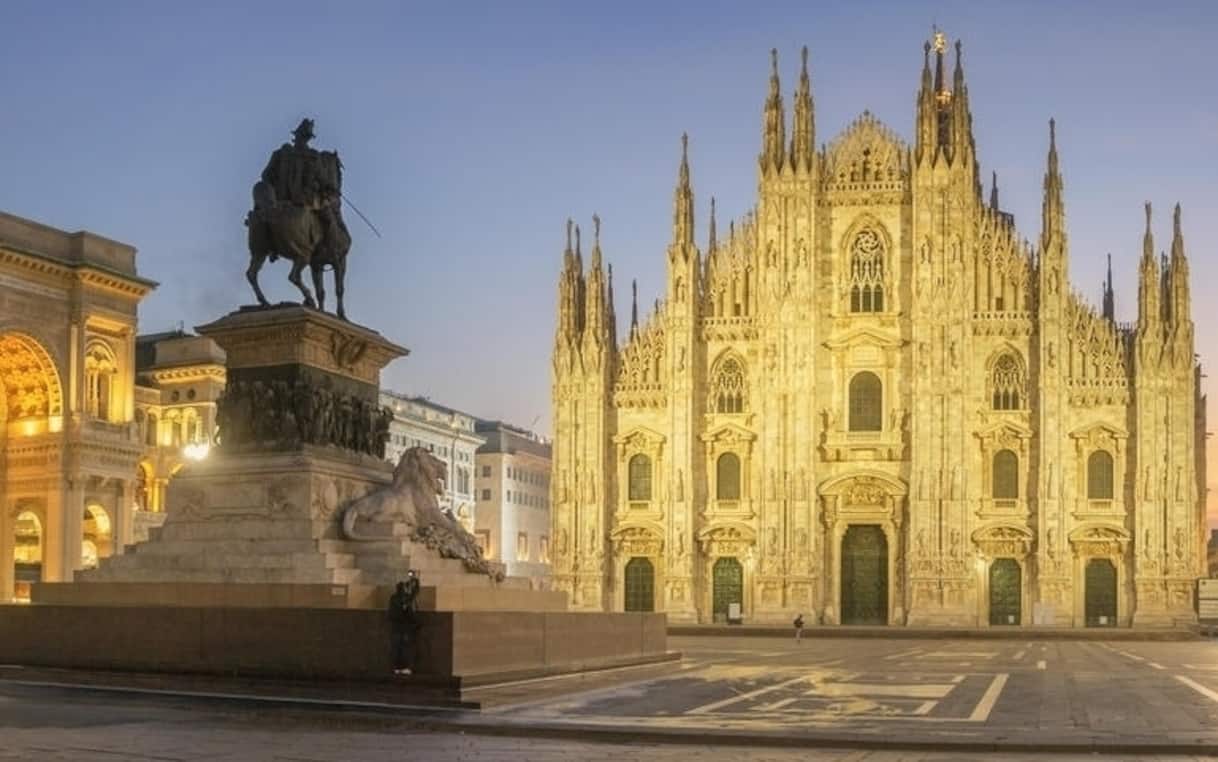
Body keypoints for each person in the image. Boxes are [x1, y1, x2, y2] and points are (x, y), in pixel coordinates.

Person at [388, 571, 421, 675]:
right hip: (405, 627)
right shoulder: (404, 599)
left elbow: (413, 594)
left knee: (398, 648)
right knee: (407, 648)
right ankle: (407, 667)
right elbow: (409, 609)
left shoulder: (394, 598)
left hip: (396, 627)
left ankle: (397, 667)